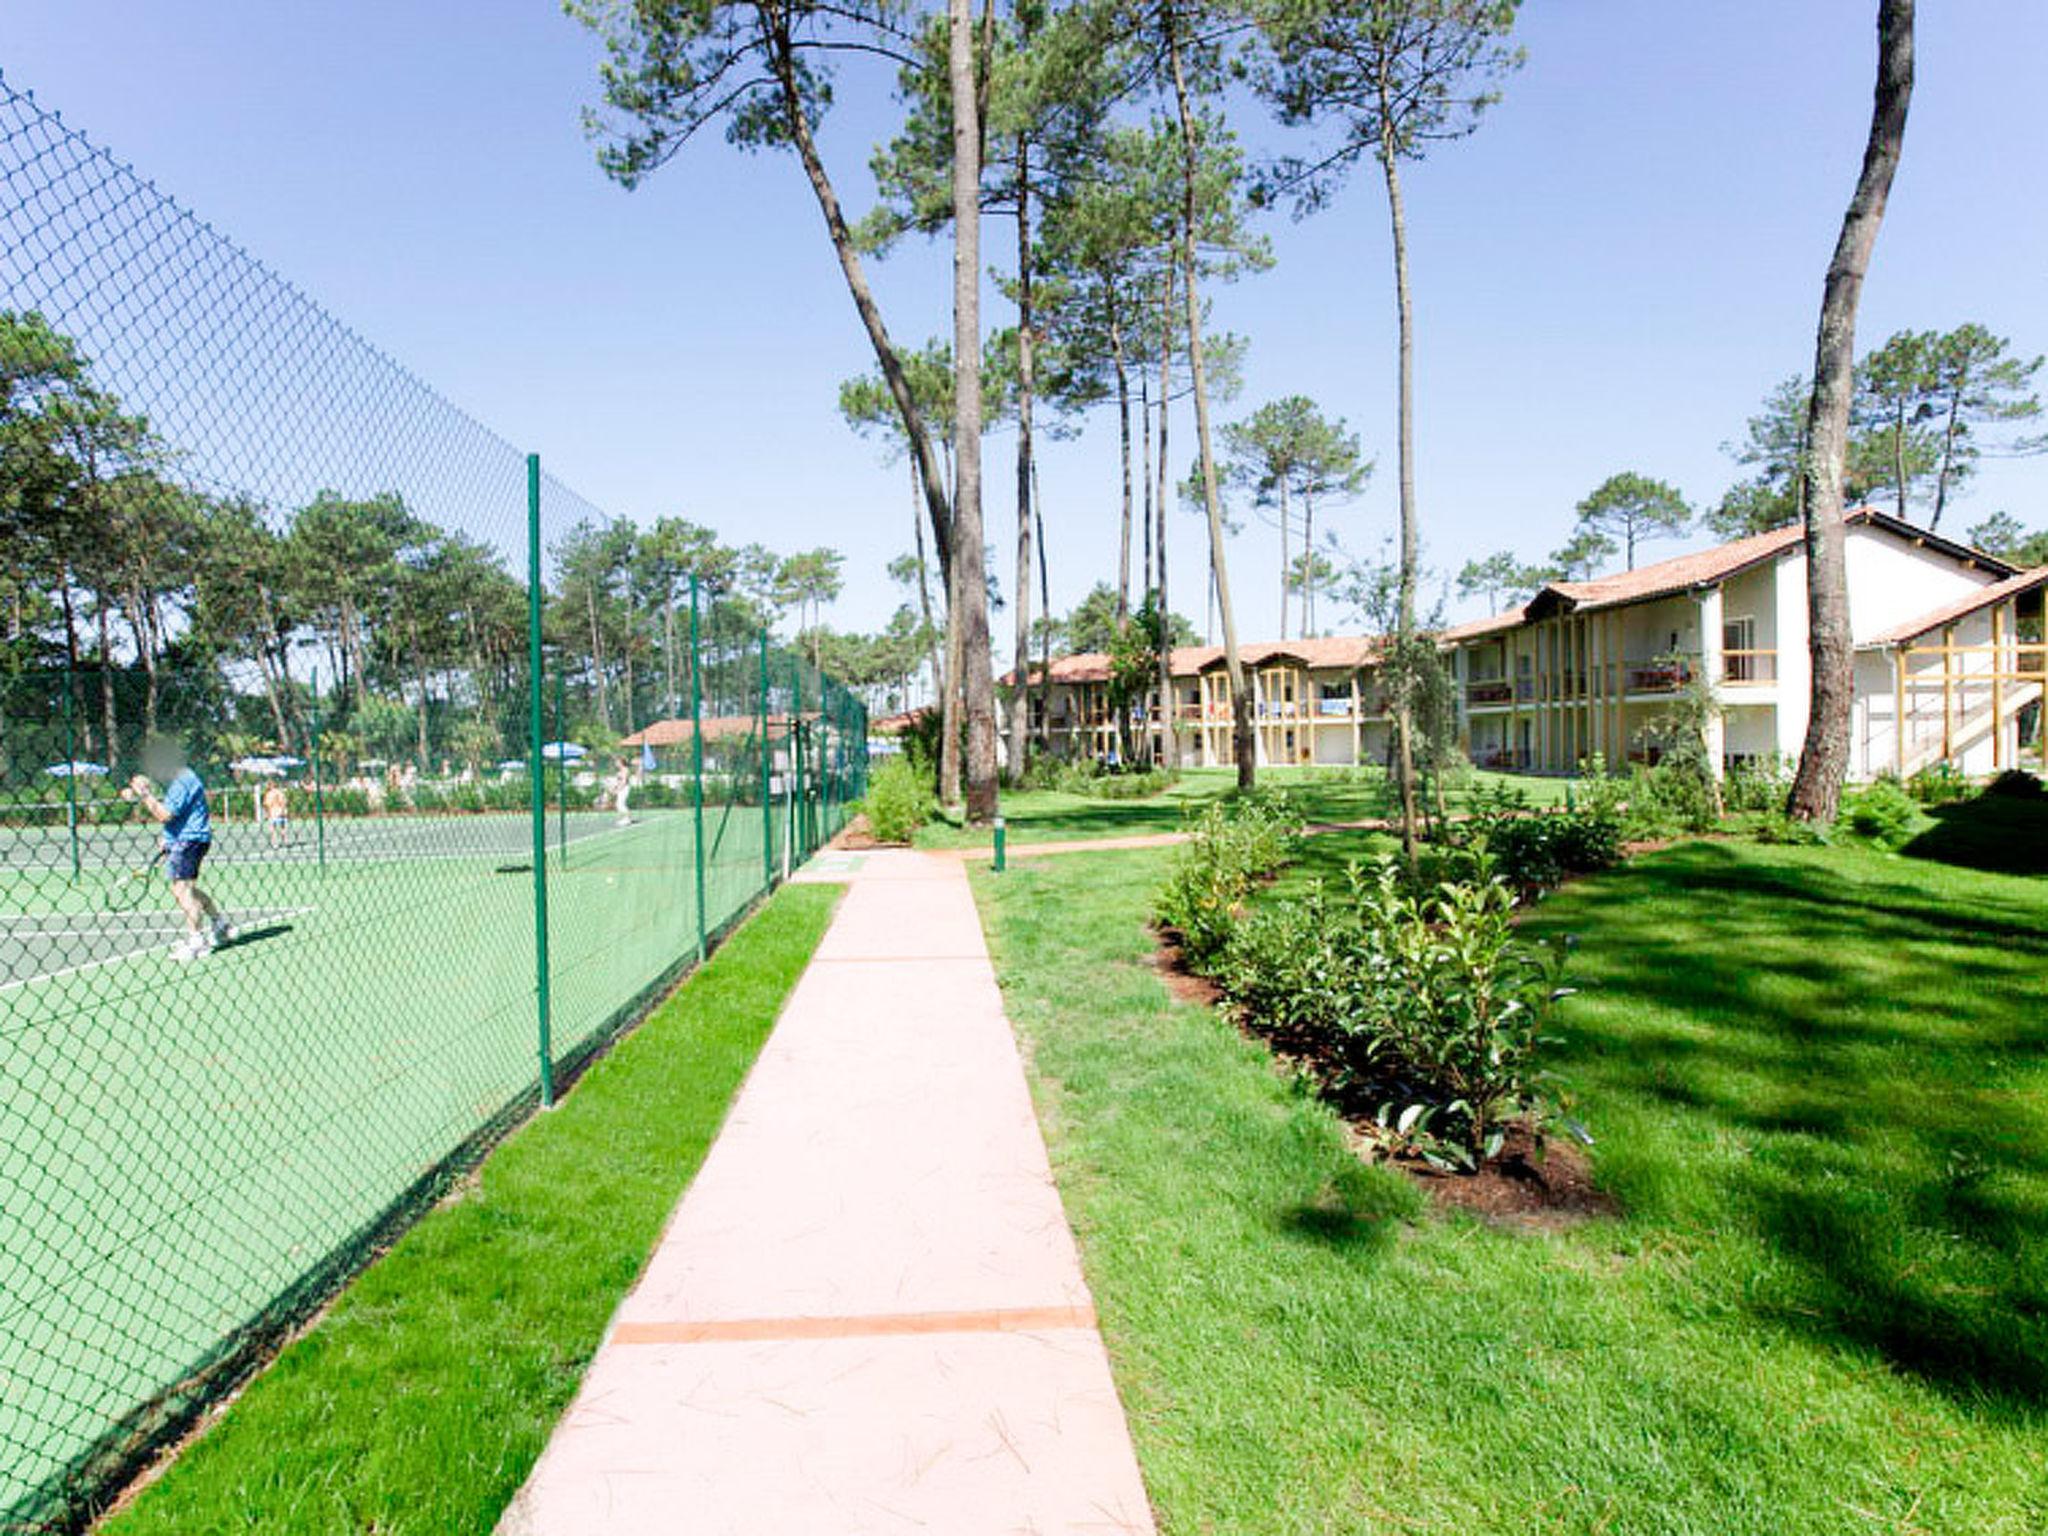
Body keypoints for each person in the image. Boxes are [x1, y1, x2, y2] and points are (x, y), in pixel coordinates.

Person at [125, 736, 234, 961]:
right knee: (185, 890)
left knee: (182, 891)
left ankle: (197, 942)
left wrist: (145, 794)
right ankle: (220, 924)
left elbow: (165, 814)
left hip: (188, 841)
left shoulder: (183, 781)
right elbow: (178, 817)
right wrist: (168, 838)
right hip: (186, 840)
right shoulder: (180, 780)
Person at [263, 779, 290, 849]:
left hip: (273, 812)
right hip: (280, 811)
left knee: (273, 828)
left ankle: (275, 843)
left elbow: (267, 805)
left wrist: (267, 814)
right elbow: (284, 802)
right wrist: (283, 811)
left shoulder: (268, 794)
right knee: (283, 827)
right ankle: (285, 841)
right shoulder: (280, 792)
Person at [610, 757, 634, 828]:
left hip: (625, 788)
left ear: (621, 763)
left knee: (620, 804)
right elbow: (618, 781)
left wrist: (618, 790)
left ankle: (628, 819)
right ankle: (625, 818)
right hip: (621, 788)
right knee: (618, 804)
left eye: (617, 762)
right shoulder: (619, 771)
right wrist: (614, 788)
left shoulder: (625, 770)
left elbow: (624, 782)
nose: (616, 764)